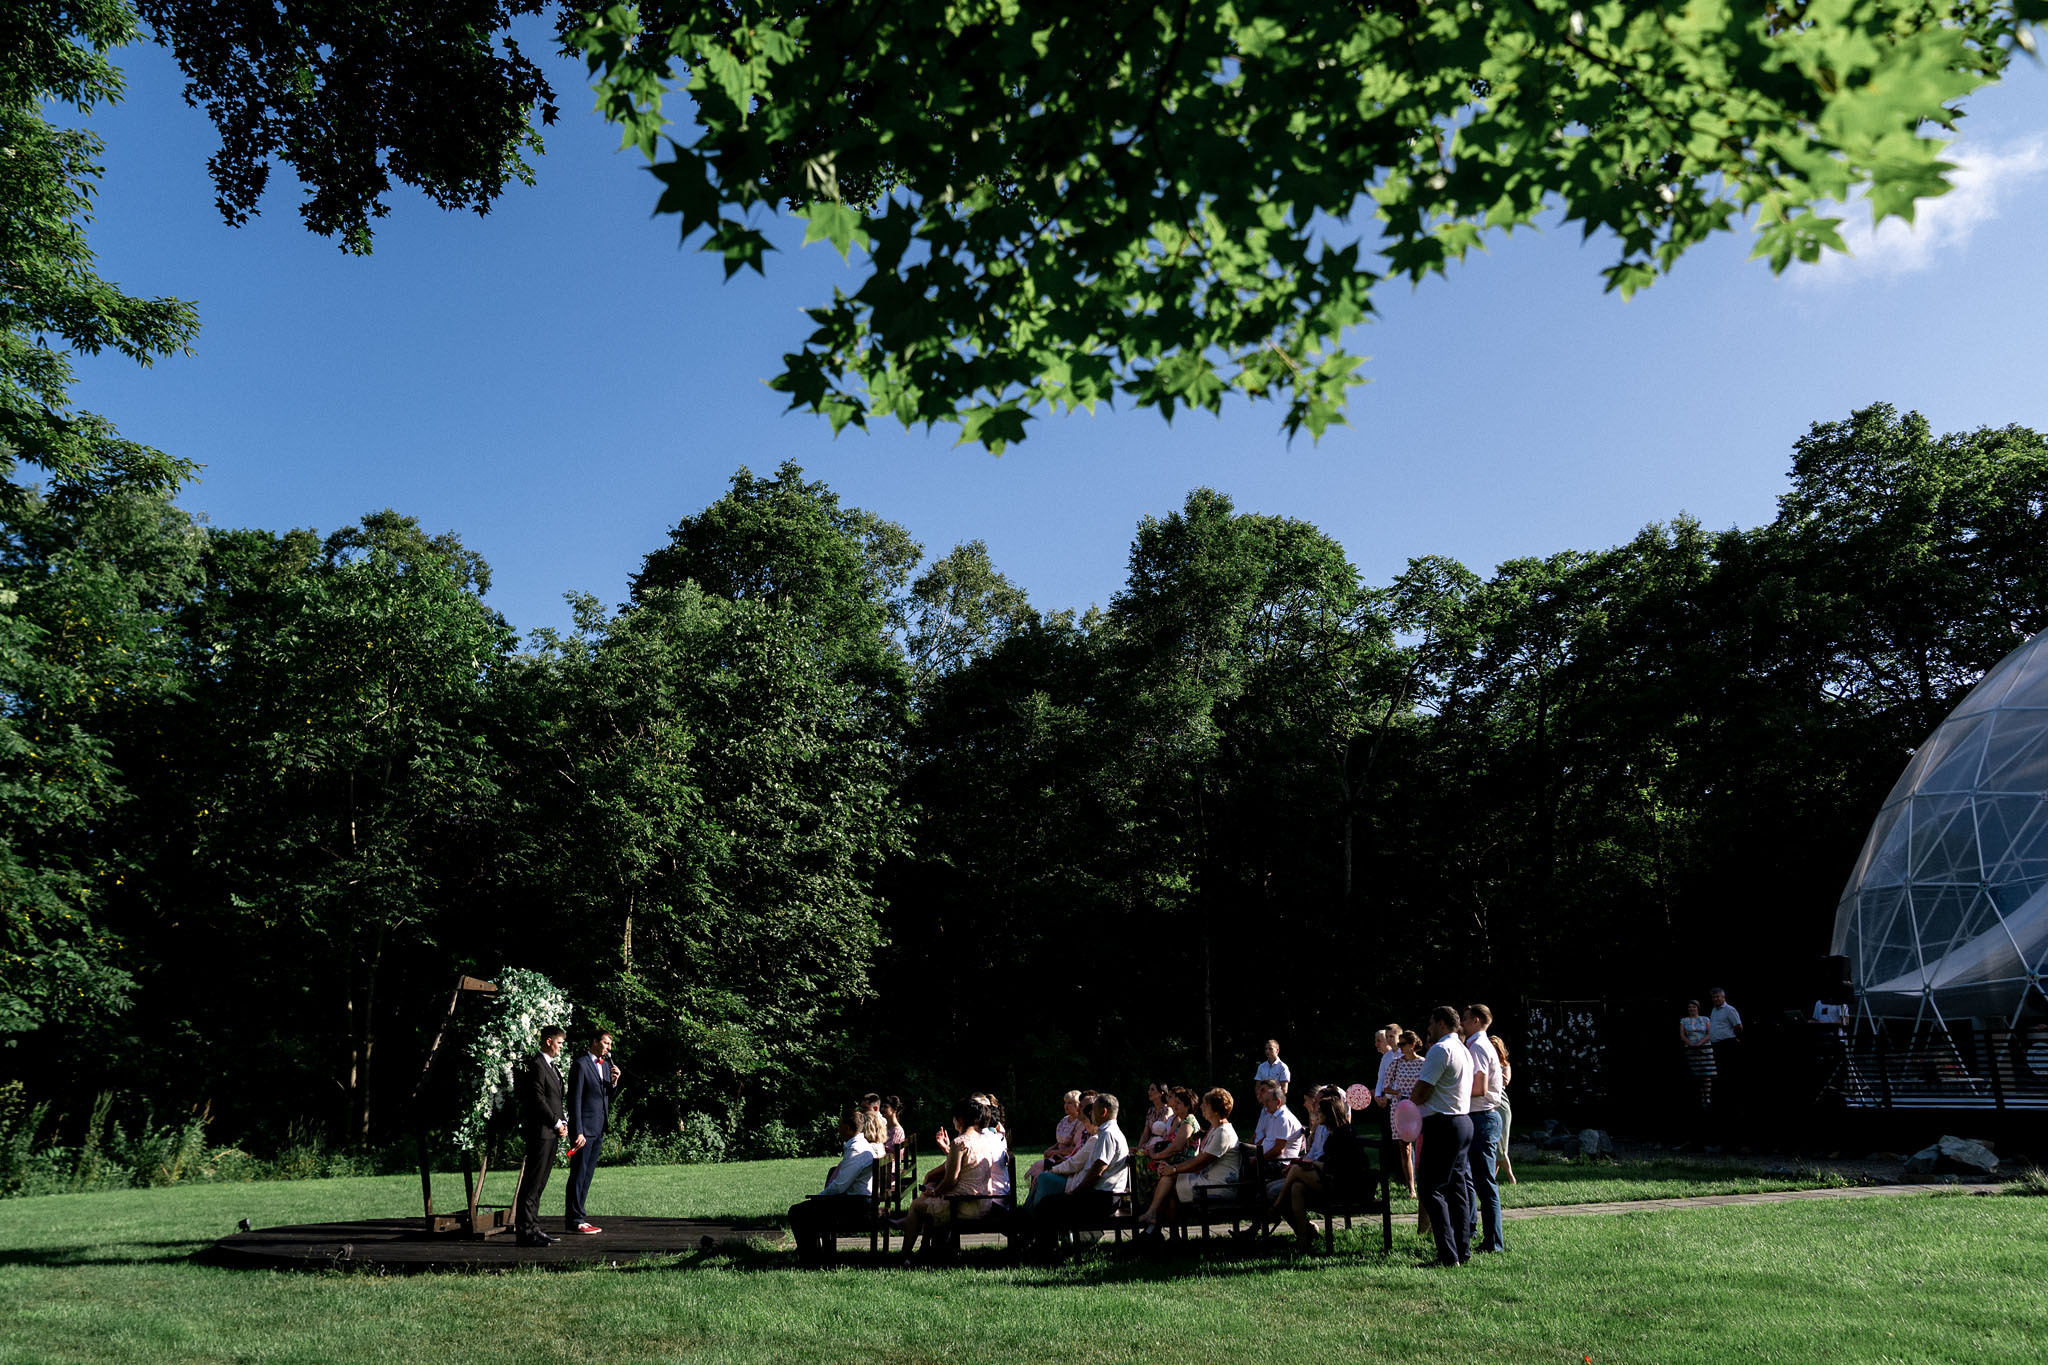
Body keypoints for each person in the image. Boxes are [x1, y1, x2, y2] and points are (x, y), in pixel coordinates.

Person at [1409, 1005, 1475, 1267]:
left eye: (1430, 1024)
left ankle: (1448, 1255)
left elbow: (1423, 1089)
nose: (1428, 1029)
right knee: (1456, 1189)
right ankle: (1462, 1249)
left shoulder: (1441, 1049)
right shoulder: (1463, 1049)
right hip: (1463, 1121)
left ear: (1440, 1022)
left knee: (1429, 1188)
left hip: (1442, 1124)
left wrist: (1408, 1105)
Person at [1023, 1093, 1131, 1250]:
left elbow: (1098, 1170)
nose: (1090, 1114)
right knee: (1048, 1203)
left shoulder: (1107, 1135)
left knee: (1047, 1205)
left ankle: (1045, 1252)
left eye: (1093, 1110)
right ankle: (1047, 1249)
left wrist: (1077, 1192)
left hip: (1101, 1200)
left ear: (1104, 1112)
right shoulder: (1111, 1133)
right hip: (1103, 1197)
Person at [898, 1096, 1002, 1256]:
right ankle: (928, 1248)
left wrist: (935, 1192)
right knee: (926, 1197)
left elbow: (951, 1179)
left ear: (960, 1119)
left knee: (916, 1205)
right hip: (983, 1203)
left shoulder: (960, 1143)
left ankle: (905, 1255)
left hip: (963, 1206)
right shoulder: (983, 1140)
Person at [789, 1107, 890, 1262]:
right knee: (805, 1209)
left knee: (797, 1211)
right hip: (860, 1199)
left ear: (848, 1129)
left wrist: (818, 1197)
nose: (838, 1129)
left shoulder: (856, 1149)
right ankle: (814, 1252)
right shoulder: (863, 1144)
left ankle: (809, 1256)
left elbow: (840, 1186)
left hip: (858, 1205)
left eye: (839, 1126)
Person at [1271, 1089, 1364, 1251]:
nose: (1316, 1113)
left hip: (1345, 1186)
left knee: (1296, 1172)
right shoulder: (1332, 1132)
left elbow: (1335, 1167)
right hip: (1333, 1179)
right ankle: (1303, 1237)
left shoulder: (1342, 1134)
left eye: (1320, 1111)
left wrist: (1314, 1165)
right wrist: (1313, 1163)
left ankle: (1276, 1206)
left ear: (1329, 1113)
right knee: (1296, 1187)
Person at [1135, 1088, 1239, 1230]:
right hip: (1207, 1179)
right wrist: (1172, 1169)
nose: (1201, 1107)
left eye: (1205, 1105)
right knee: (1168, 1178)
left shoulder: (1223, 1133)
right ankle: (1157, 1228)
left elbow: (1200, 1162)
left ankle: (1156, 1226)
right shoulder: (1215, 1129)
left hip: (1218, 1186)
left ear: (1215, 1110)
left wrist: (1174, 1168)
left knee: (1168, 1182)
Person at [563, 1028, 622, 1235]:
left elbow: (606, 1097)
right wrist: (577, 1131)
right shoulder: (580, 1065)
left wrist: (613, 1082)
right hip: (583, 1131)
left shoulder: (606, 1066)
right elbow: (574, 1100)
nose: (608, 1048)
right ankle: (575, 1219)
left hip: (598, 1129)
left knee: (587, 1175)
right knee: (578, 1174)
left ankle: (580, 1217)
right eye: (606, 1043)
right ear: (595, 1042)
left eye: (610, 1045)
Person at [514, 1025, 569, 1247]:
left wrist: (563, 1122)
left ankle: (534, 1227)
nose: (561, 1048)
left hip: (552, 1132)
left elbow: (556, 1099)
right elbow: (537, 1099)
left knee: (540, 1183)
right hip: (541, 1131)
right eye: (559, 1043)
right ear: (548, 1041)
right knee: (532, 1182)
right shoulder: (536, 1066)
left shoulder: (552, 1067)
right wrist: (555, 1122)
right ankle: (525, 1231)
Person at [1460, 1004, 1505, 1254]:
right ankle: (1477, 1232)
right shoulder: (1480, 1044)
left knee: (1484, 1183)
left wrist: (1452, 1093)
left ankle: (1493, 1242)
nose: (1462, 1024)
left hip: (1481, 1116)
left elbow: (1480, 1088)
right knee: (1475, 1180)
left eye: (1465, 1019)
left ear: (1476, 1020)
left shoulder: (1477, 1046)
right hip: (1481, 1117)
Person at [1378, 1029, 1425, 1197]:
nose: (1399, 1047)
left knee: (1422, 1146)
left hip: (1419, 1107)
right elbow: (1386, 1086)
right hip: (1400, 1108)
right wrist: (1397, 1093)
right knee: (1404, 1148)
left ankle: (1425, 1182)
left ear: (1412, 1045)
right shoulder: (1396, 1063)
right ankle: (1411, 1187)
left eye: (1402, 1044)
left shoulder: (1423, 1063)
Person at [1253, 1080, 1306, 1199]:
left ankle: (1257, 1205)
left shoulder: (1283, 1118)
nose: (1265, 1105)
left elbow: (1278, 1150)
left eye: (1268, 1102)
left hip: (1282, 1163)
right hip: (1271, 1159)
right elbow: (1267, 1140)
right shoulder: (1275, 1116)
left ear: (1278, 1102)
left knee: (1248, 1169)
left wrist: (1258, 1159)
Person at [1027, 1090, 1086, 1184]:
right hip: (1057, 1155)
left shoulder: (1081, 1123)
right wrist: (1050, 1149)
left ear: (1077, 1105)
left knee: (1039, 1167)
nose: (1066, 1105)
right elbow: (1060, 1142)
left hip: (1067, 1158)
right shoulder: (1065, 1120)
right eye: (1065, 1102)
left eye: (1069, 1103)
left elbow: (1073, 1148)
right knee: (1037, 1169)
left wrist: (1054, 1152)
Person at [1490, 1034, 1517, 1186]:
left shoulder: (1504, 1065)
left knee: (1501, 1144)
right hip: (1489, 1104)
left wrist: (1494, 1068)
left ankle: (1511, 1178)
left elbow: (1506, 1080)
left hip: (1501, 1104)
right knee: (1494, 1144)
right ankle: (1492, 1178)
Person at [1679, 999, 1715, 1108]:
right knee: (1698, 1074)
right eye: (1689, 1007)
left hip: (1705, 1049)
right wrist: (1690, 1043)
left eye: (1694, 1007)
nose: (1691, 1009)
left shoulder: (1705, 1019)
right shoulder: (1684, 1020)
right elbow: (1682, 1035)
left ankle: (1707, 1096)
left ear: (1697, 1008)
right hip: (1691, 1050)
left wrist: (1700, 1043)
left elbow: (1709, 1033)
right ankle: (1701, 1097)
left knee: (1707, 1074)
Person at [1141, 1082, 1174, 1155]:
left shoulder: (1167, 1110)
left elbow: (1159, 1133)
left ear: (1161, 1093)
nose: (1149, 1092)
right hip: (1150, 1145)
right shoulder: (1151, 1111)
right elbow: (1146, 1133)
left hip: (1160, 1147)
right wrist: (1138, 1148)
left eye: (1152, 1089)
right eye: (1149, 1089)